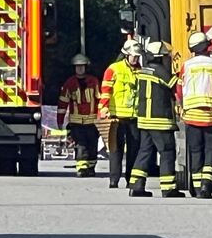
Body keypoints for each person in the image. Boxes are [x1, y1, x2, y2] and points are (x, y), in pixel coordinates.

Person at [129, 42, 182, 198]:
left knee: (144, 151)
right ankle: (168, 188)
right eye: (166, 56)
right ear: (160, 57)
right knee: (167, 152)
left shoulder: (143, 70)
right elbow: (175, 88)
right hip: (160, 120)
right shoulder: (160, 71)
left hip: (144, 120)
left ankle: (136, 186)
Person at [176, 32, 212, 199]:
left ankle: (197, 189)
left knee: (195, 151)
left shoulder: (186, 66)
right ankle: (206, 185)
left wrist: (182, 106)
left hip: (191, 114)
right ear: (208, 46)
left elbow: (179, 90)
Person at [100, 40, 143, 188]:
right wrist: (104, 109)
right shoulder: (114, 69)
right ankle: (114, 179)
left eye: (137, 56)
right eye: (133, 56)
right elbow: (105, 91)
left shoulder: (140, 70)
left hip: (134, 117)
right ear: (126, 55)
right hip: (116, 116)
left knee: (134, 150)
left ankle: (130, 179)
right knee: (115, 149)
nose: (136, 59)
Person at [58, 54, 101, 177]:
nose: (80, 69)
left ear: (86, 67)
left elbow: (100, 98)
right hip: (76, 122)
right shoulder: (70, 83)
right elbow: (63, 102)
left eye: (82, 66)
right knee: (81, 145)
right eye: (77, 67)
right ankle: (82, 168)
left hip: (92, 122)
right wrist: (60, 121)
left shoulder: (93, 81)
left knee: (93, 146)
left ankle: (91, 167)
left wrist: (102, 116)